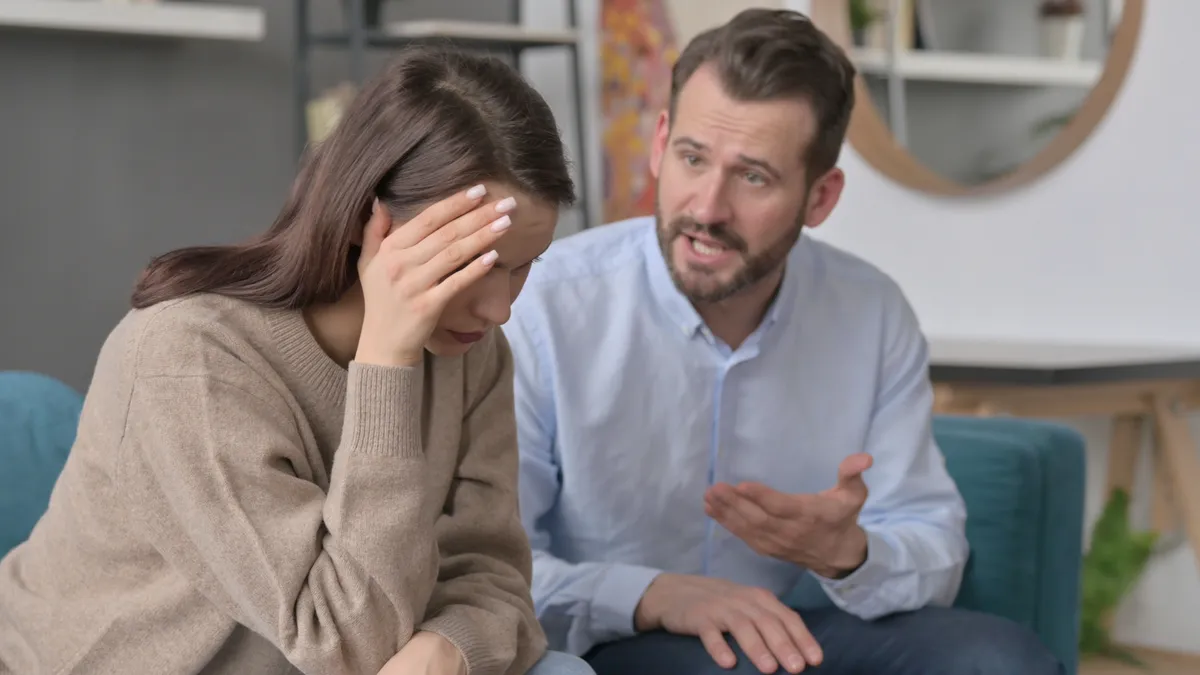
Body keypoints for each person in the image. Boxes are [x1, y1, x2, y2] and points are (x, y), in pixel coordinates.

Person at [502, 9, 1064, 675]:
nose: (707, 208)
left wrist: (847, 551)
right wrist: (655, 593)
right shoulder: (544, 304)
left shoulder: (871, 313)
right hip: (610, 636)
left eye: (754, 176)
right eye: (692, 158)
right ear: (659, 145)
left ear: (820, 197)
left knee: (1004, 660)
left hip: (784, 630)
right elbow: (493, 571)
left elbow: (932, 542)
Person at [0, 47, 595, 675]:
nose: (501, 308)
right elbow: (345, 641)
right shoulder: (189, 360)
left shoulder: (471, 352)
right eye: (477, 264)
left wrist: (450, 647)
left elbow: (493, 572)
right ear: (376, 223)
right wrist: (387, 364)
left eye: (524, 265)